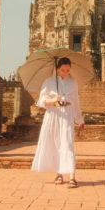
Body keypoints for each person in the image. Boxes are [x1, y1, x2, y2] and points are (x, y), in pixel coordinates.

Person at [30, 56, 85, 187]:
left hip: (67, 115)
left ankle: (72, 176)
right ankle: (59, 174)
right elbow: (41, 102)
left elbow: (76, 102)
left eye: (68, 70)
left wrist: (79, 119)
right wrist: (54, 100)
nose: (65, 73)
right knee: (56, 144)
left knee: (68, 144)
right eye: (63, 70)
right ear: (57, 69)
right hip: (53, 115)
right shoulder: (49, 82)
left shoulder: (73, 83)